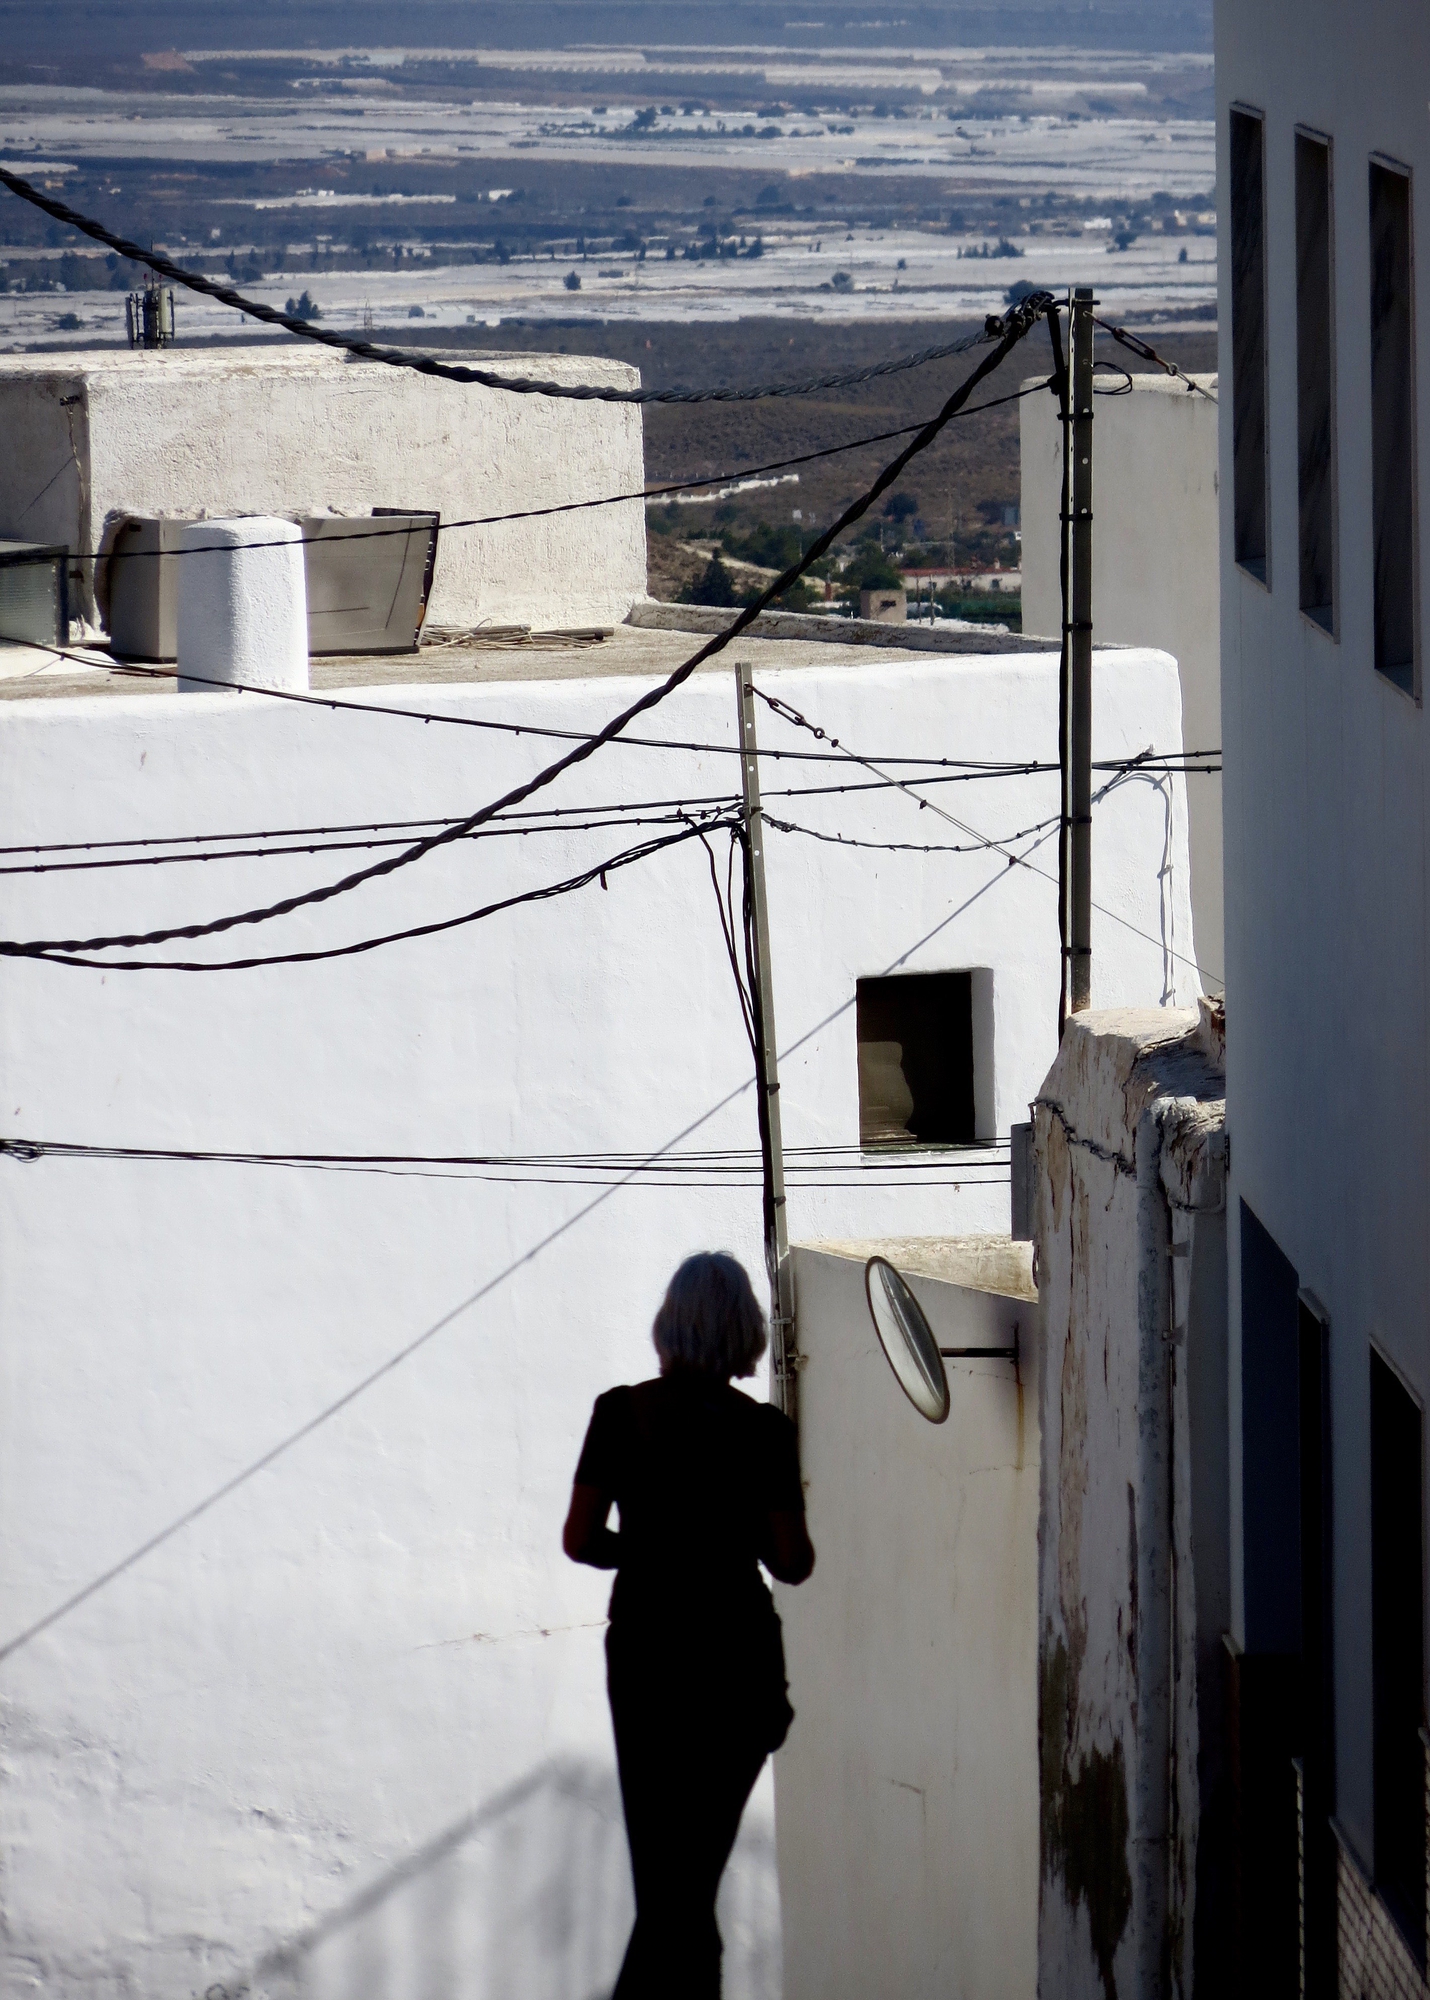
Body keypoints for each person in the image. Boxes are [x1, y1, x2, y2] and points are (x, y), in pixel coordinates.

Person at [563, 1250, 815, 2000]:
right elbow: (793, 1562)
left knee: (668, 1887)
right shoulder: (764, 1430)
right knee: (689, 1886)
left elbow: (579, 1540)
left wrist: (647, 1549)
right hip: (737, 1666)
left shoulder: (620, 1413)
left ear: (670, 1325)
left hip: (646, 1655)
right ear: (744, 1332)